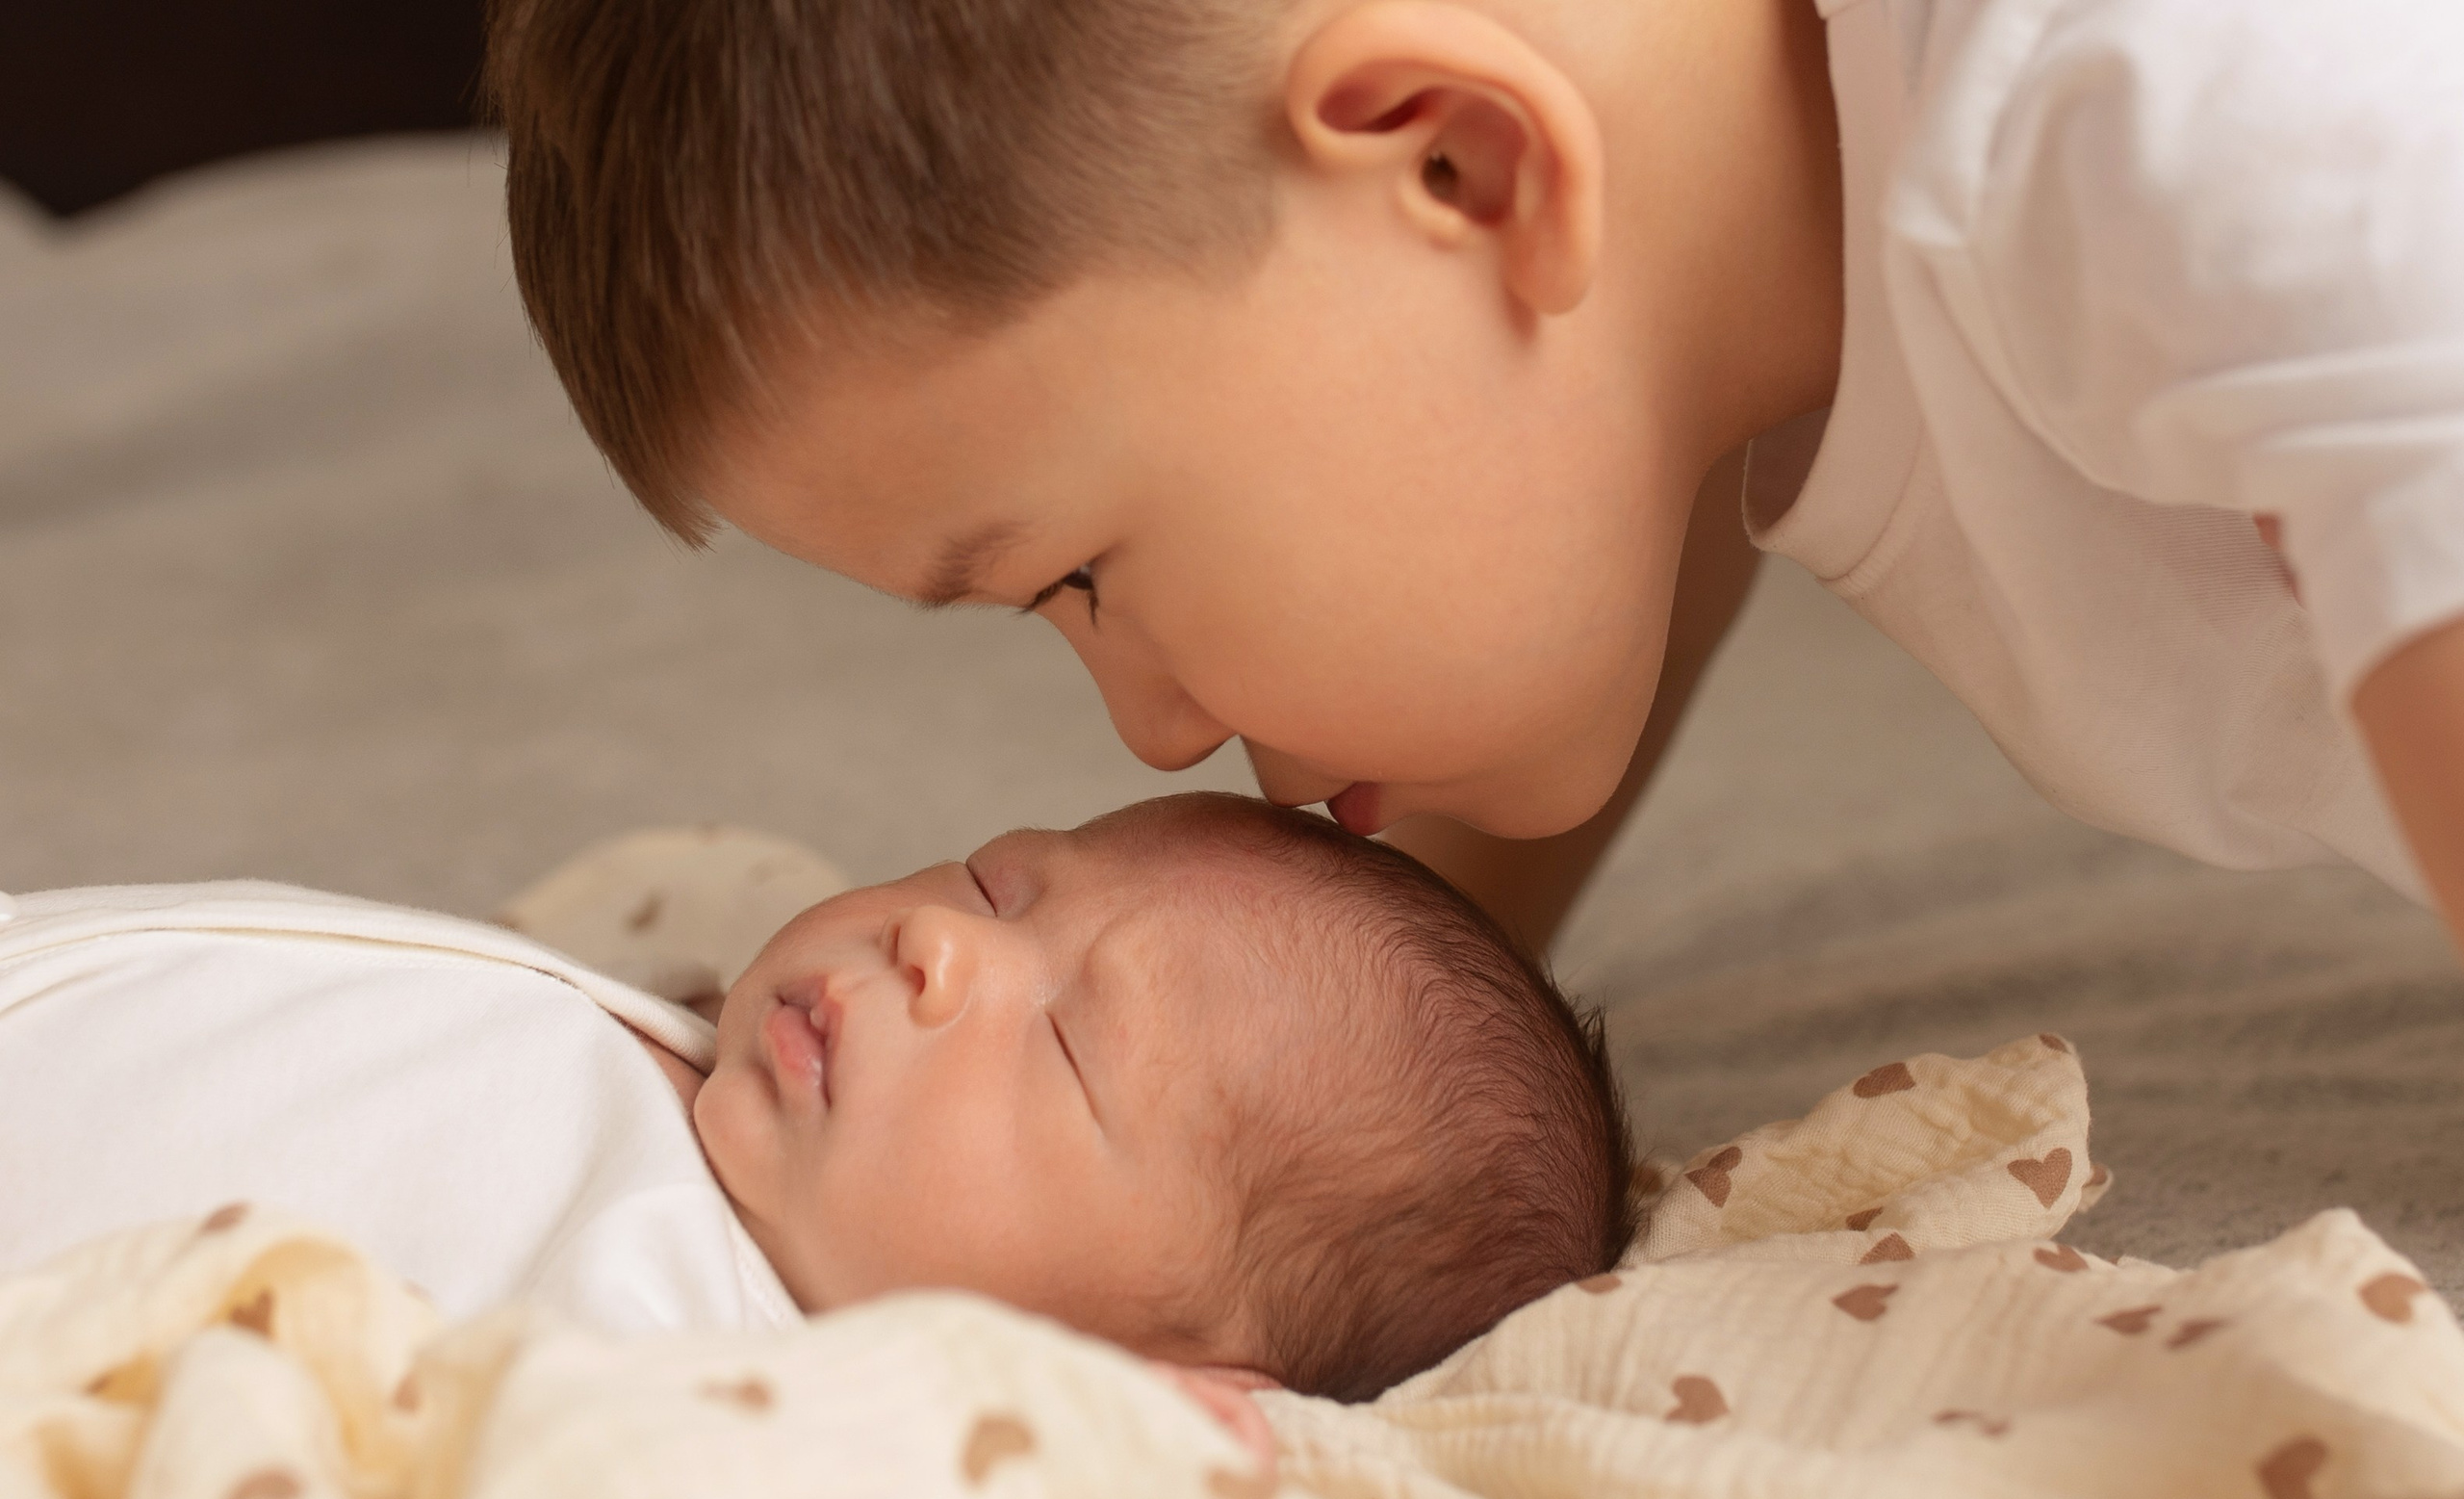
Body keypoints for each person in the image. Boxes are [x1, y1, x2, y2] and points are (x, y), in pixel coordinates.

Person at [484, 0, 2464, 962]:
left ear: (1457, 165)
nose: (1157, 728)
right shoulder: (1760, 255)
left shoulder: (2189, 121)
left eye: (1080, 576)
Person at [0, 794, 1634, 1406]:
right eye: (1003, 884)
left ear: (1142, 1385)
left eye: (1065, 1050)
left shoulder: (692, 1380)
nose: (940, 946)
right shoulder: (703, 1073)